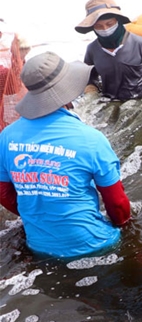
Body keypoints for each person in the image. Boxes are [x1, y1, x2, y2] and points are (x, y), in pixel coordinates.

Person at [0, 52, 131, 258]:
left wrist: (38, 216)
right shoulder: (91, 139)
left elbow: (4, 194)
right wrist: (127, 229)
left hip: (39, 248)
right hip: (97, 245)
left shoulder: (6, 137)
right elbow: (117, 203)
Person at [74, 0, 142, 101]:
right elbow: (89, 76)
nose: (105, 29)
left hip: (140, 99)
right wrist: (91, 88)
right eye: (99, 26)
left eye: (109, 24)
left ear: (118, 21)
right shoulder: (92, 49)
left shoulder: (140, 44)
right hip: (109, 101)